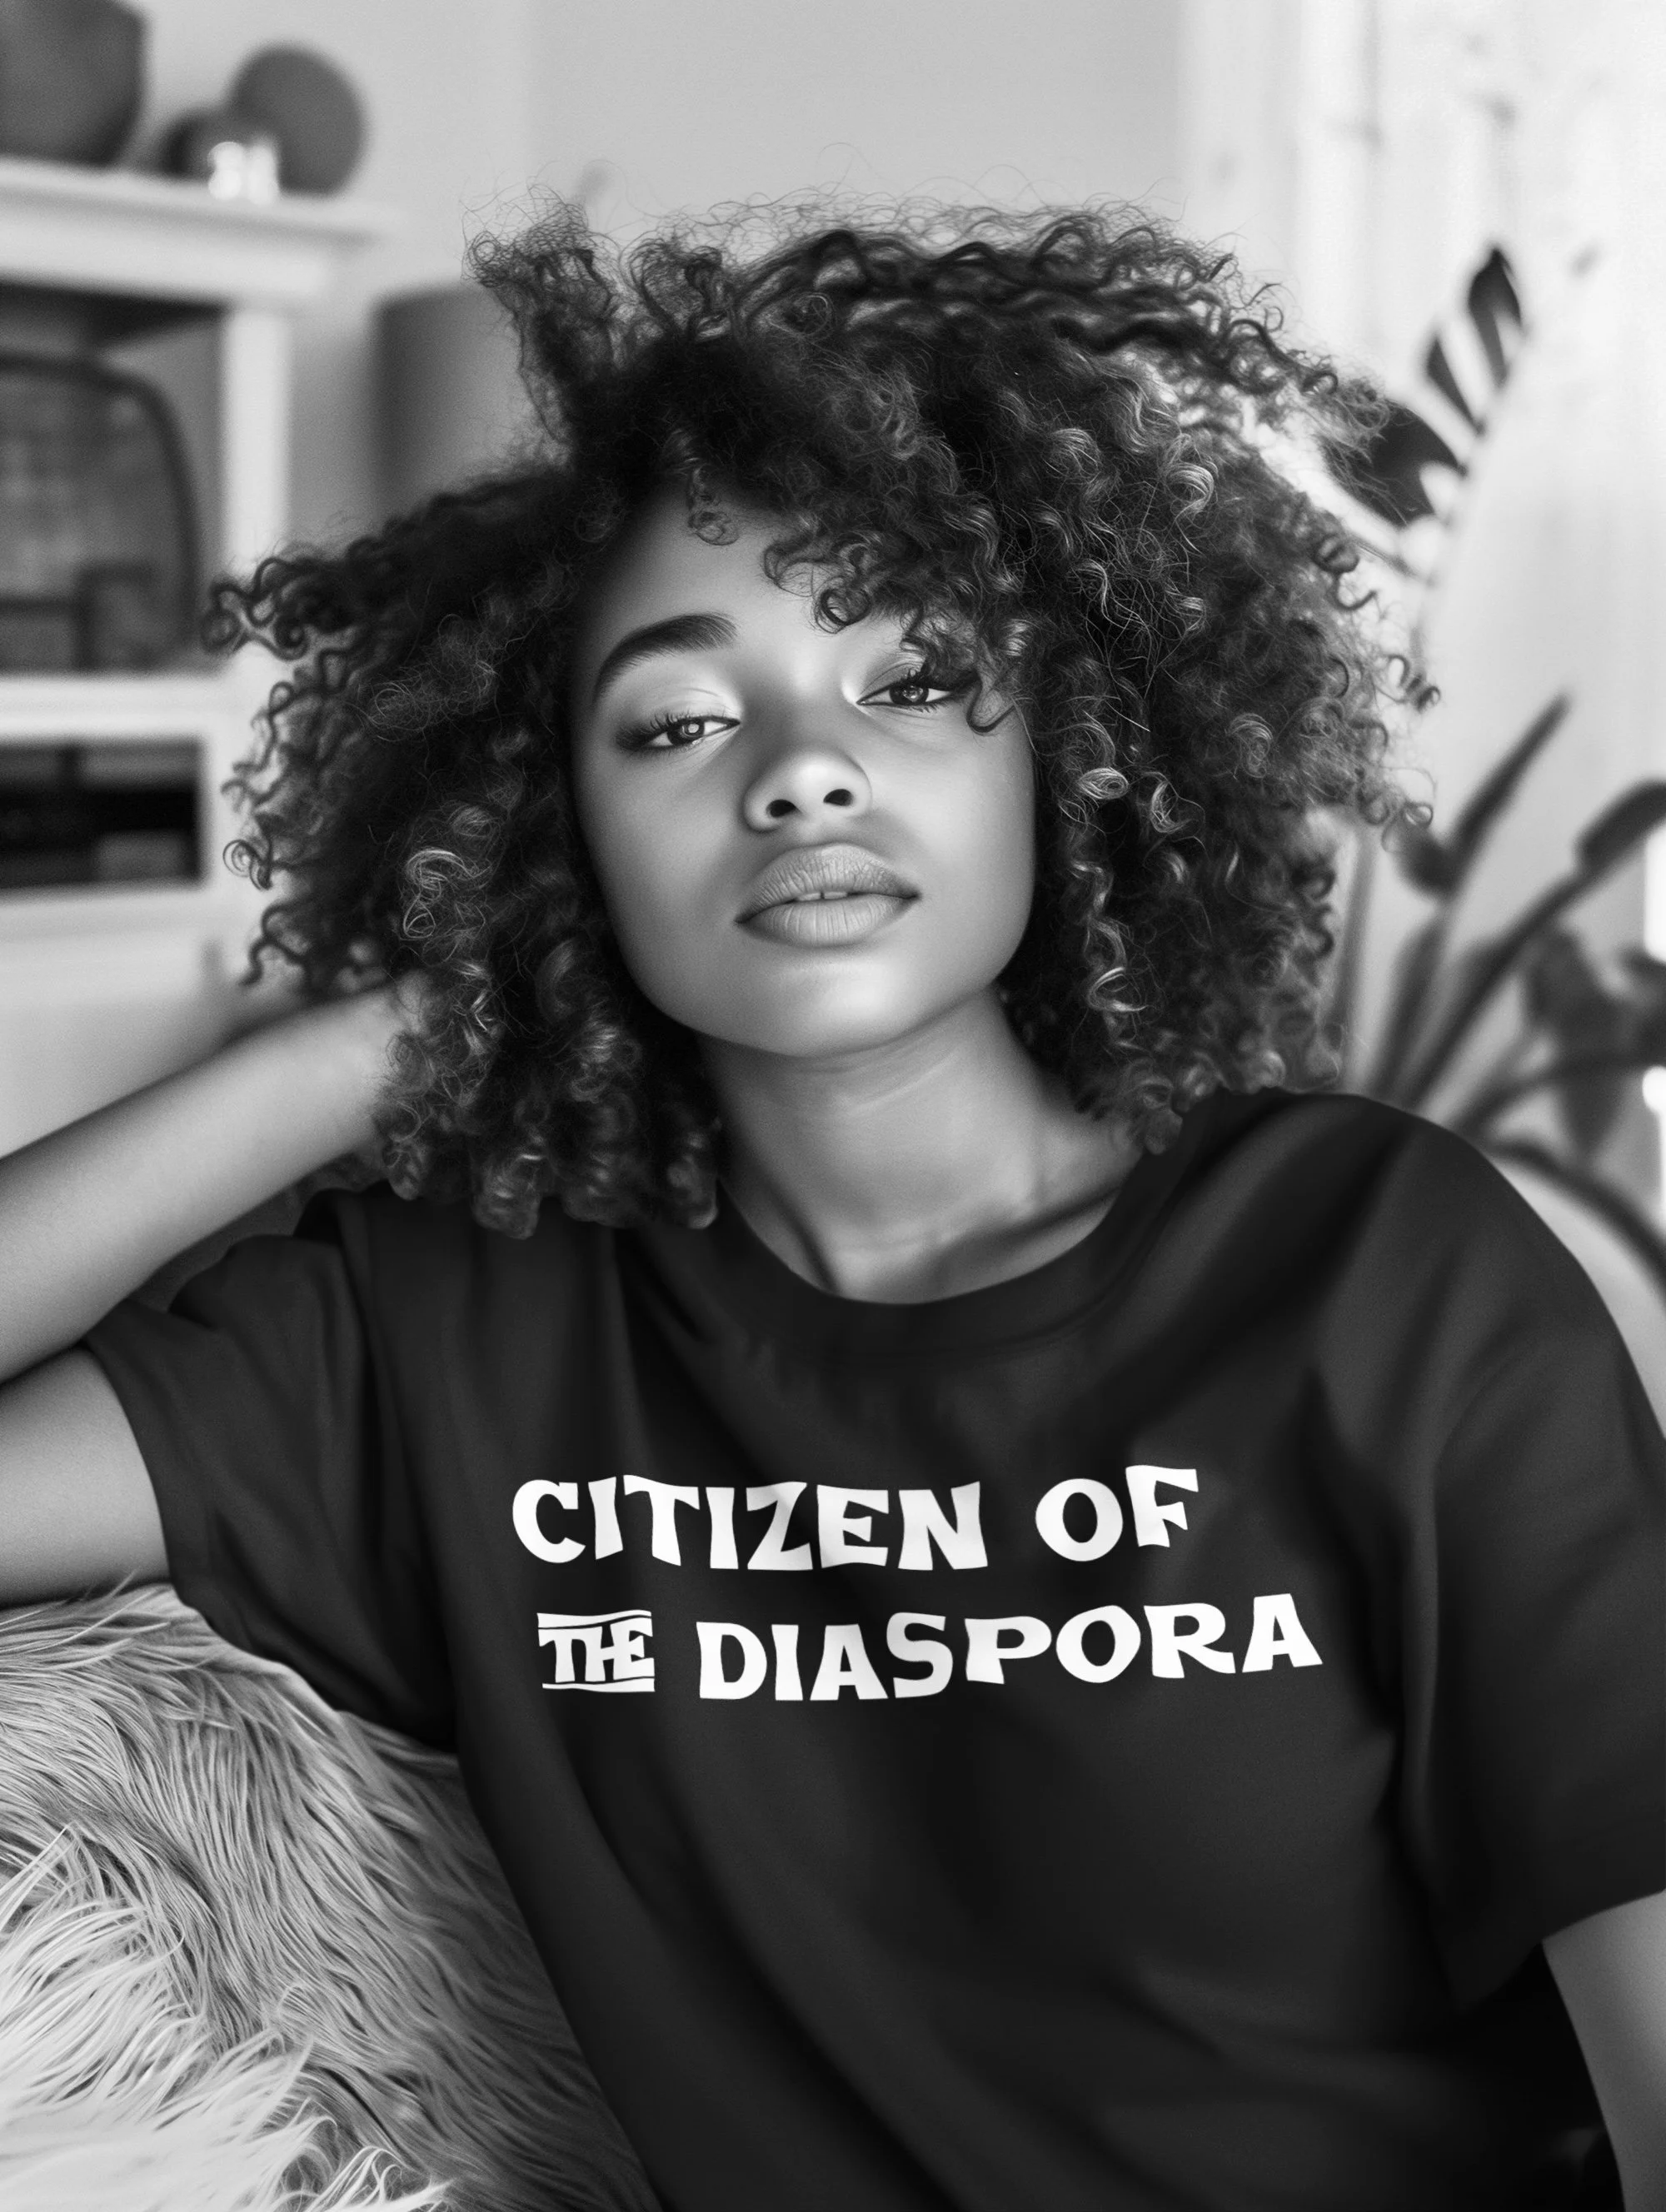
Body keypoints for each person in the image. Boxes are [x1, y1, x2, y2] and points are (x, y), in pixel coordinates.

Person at [0, 204, 1660, 2212]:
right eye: (678, 721)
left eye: (910, 675)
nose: (797, 771)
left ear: (1068, 747)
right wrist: (364, 1041)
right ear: (554, 818)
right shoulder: (451, 1328)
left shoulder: (1373, 1267)